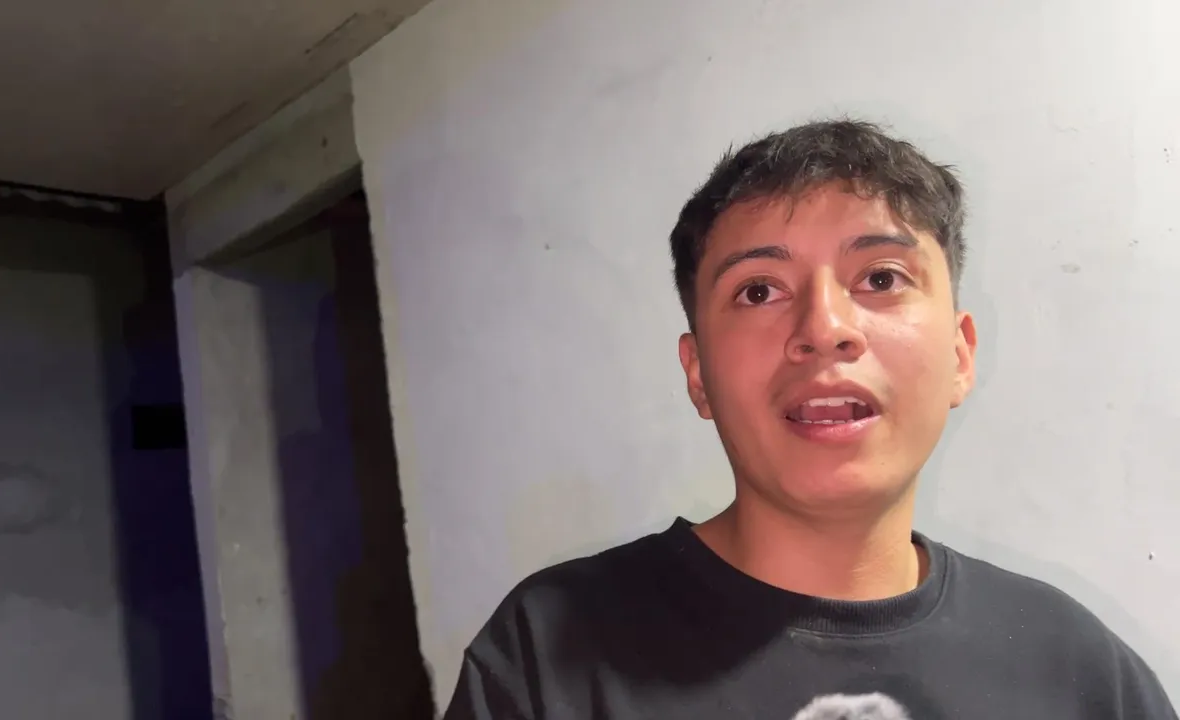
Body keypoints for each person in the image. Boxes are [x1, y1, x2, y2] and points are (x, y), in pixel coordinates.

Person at [443, 120, 1177, 719]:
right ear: (698, 375)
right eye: (759, 291)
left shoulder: (1080, 671)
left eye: (881, 278)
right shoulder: (548, 654)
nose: (824, 329)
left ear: (959, 355)